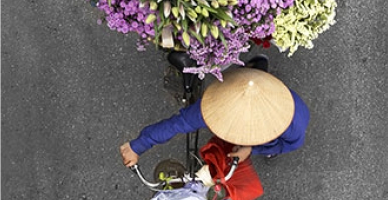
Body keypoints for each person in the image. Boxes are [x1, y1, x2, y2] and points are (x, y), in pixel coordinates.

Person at [119, 56, 309, 167]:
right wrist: (138, 145)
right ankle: (256, 70)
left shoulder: (295, 123)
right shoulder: (214, 108)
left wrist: (253, 149)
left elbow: (287, 145)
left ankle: (256, 69)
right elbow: (176, 124)